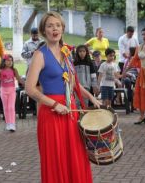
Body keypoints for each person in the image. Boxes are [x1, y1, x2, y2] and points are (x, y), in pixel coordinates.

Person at [25, 11, 101, 183]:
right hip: (52, 113)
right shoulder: (40, 55)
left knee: (75, 155)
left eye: (58, 25)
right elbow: (30, 89)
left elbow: (74, 83)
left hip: (70, 111)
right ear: (44, 31)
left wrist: (92, 97)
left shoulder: (66, 53)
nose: (54, 29)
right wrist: (54, 105)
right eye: (50, 26)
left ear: (62, 29)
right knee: (56, 158)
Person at [0, 54, 25, 132]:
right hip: (3, 91)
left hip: (12, 91)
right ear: (4, 61)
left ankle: (12, 123)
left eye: (11, 60)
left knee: (11, 107)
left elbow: (19, 79)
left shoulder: (14, 70)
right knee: (6, 108)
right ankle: (8, 123)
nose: (10, 62)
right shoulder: (0, 71)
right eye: (8, 60)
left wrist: (27, 84)